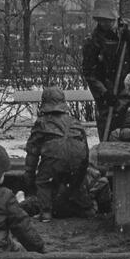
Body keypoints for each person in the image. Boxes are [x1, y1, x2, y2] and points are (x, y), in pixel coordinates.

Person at [81, 0, 130, 138]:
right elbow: (89, 73)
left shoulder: (129, 30)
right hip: (108, 100)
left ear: (115, 17)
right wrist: (104, 93)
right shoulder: (93, 41)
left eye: (108, 20)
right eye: (101, 20)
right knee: (109, 138)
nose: (105, 24)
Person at [24, 86, 92, 222]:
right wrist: (83, 166)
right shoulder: (74, 121)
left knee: (43, 181)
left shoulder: (41, 123)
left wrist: (29, 176)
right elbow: (85, 146)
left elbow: (33, 151)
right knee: (76, 181)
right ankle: (86, 209)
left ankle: (46, 212)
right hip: (77, 158)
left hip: (53, 159)